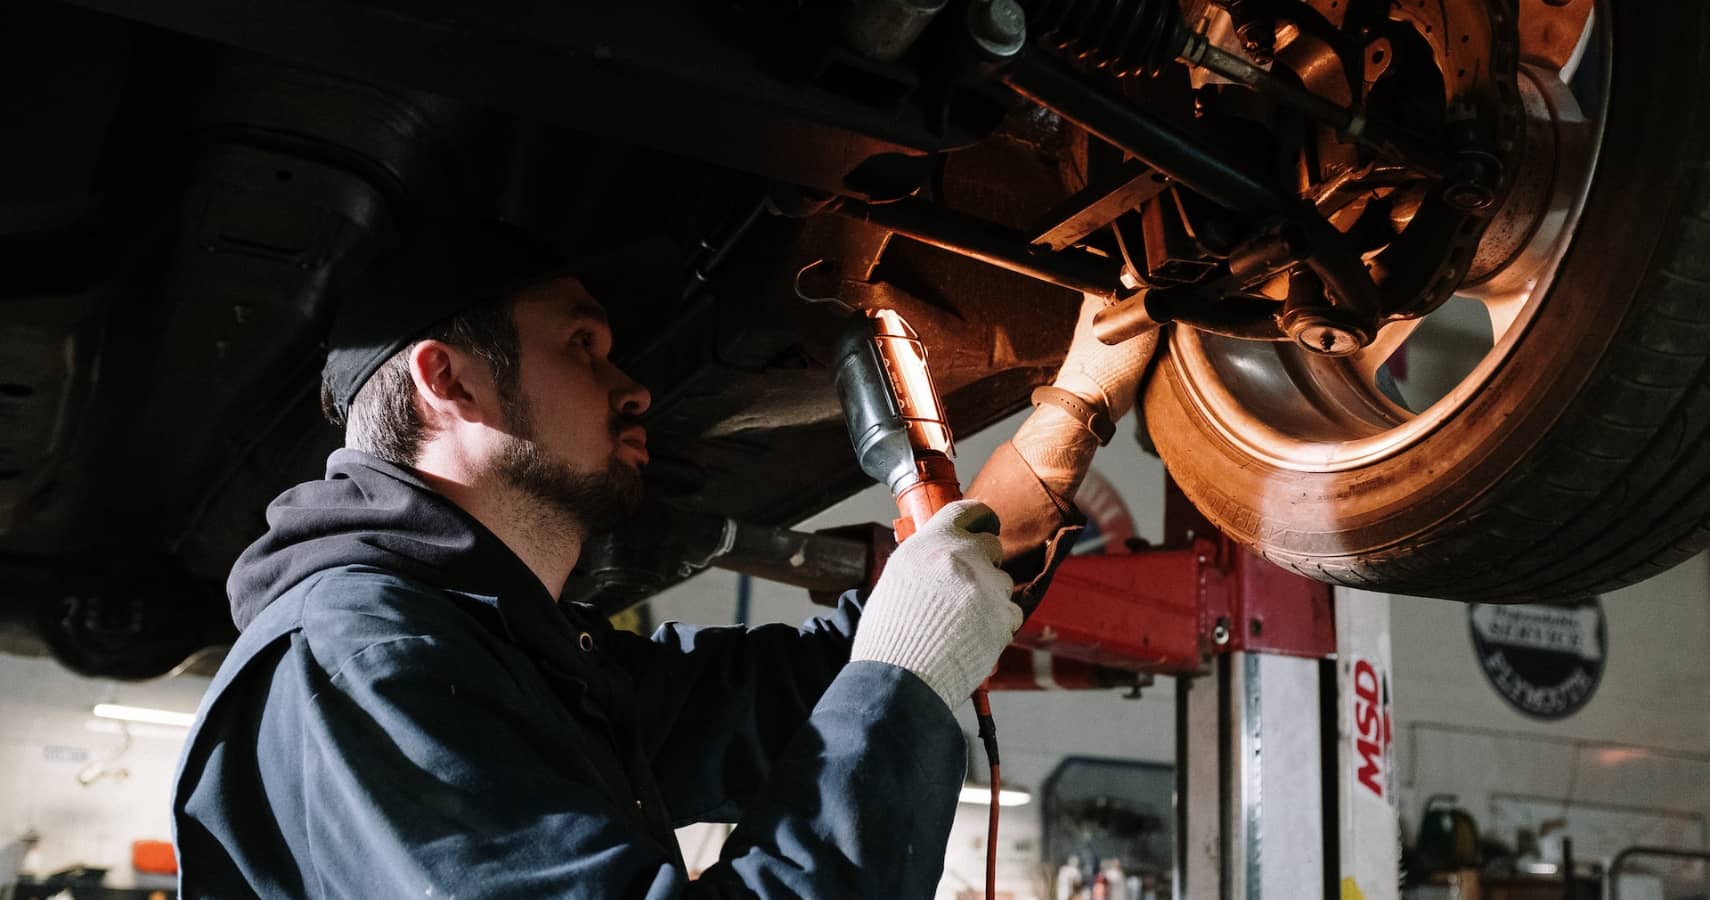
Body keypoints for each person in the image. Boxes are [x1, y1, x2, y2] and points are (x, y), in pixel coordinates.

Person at [171, 220, 1154, 899]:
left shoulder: (513, 661)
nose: (634, 386)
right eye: (583, 346)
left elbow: (828, 684)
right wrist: (906, 677)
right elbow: (888, 676)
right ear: (448, 381)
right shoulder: (364, 663)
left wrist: (1075, 411)